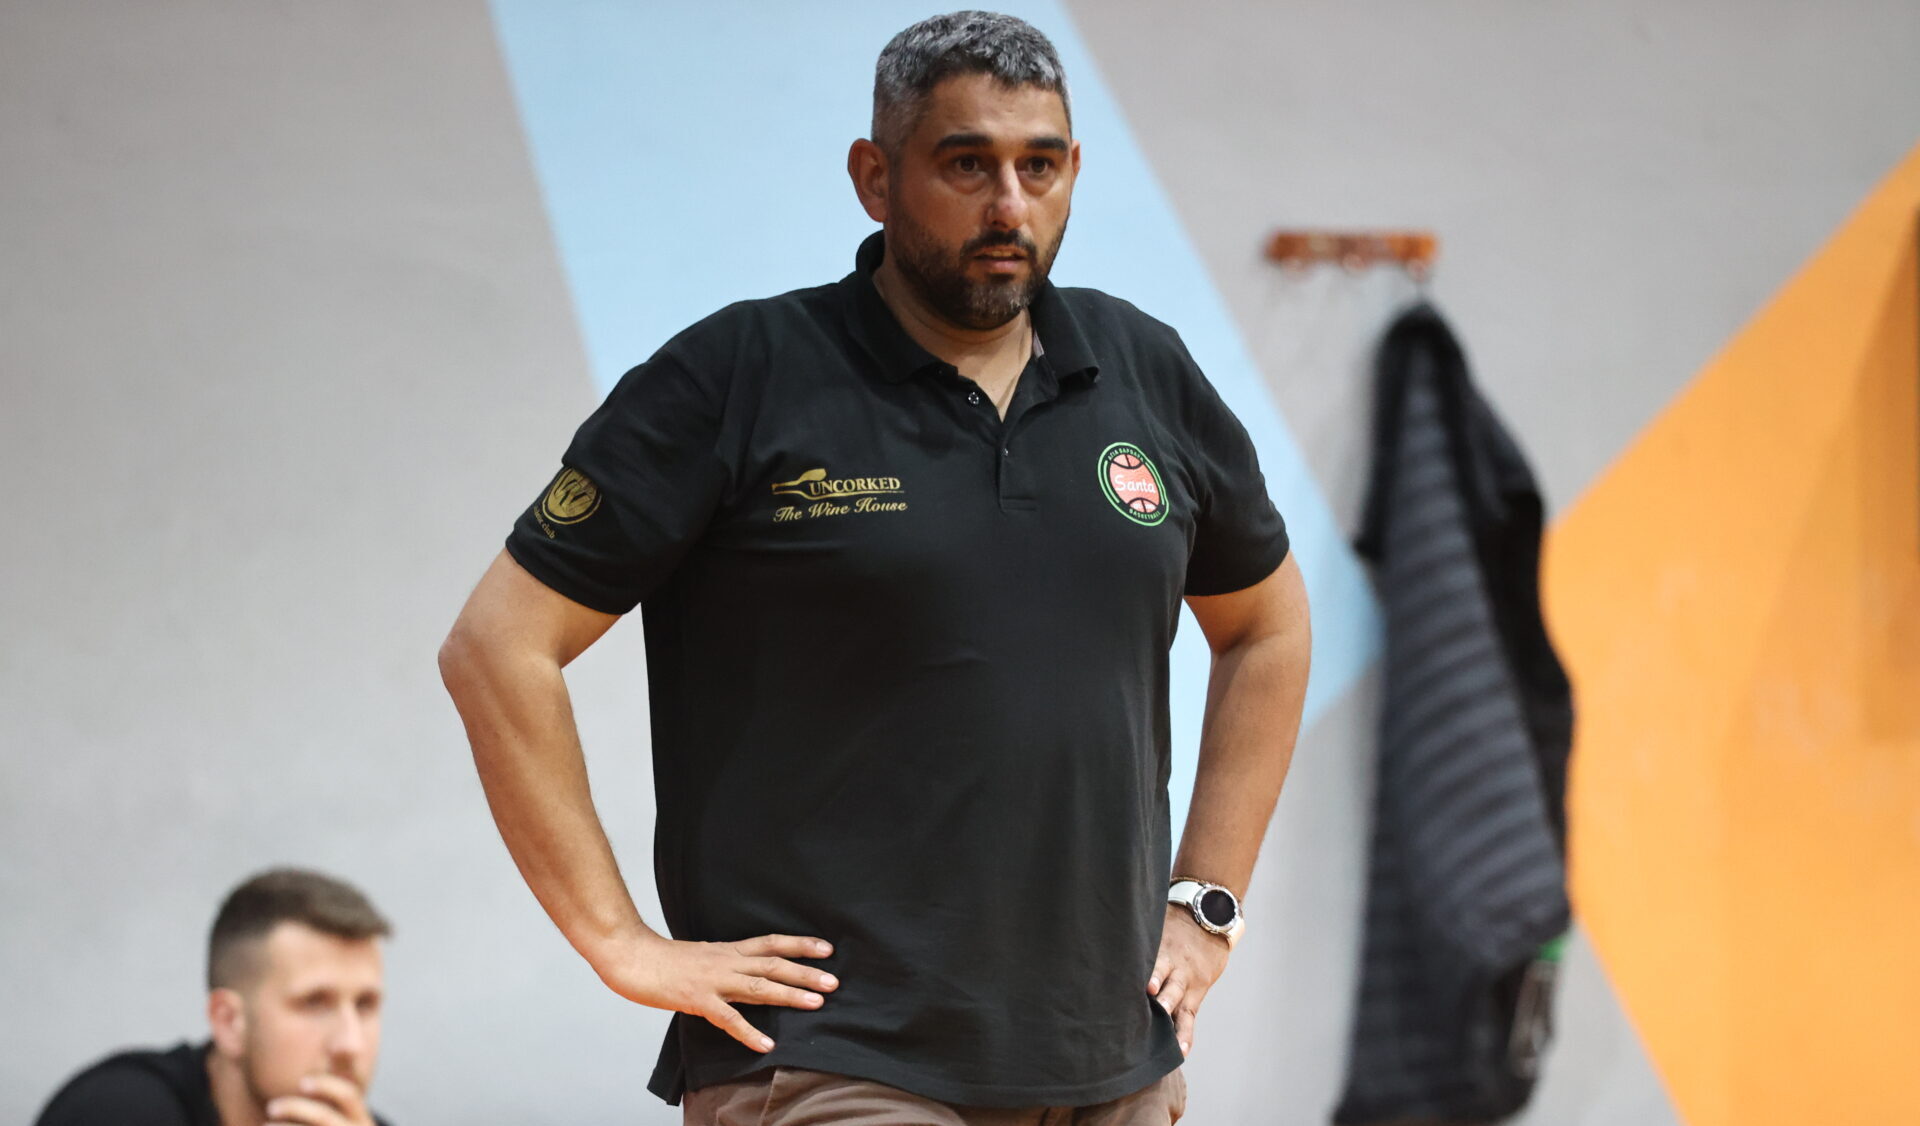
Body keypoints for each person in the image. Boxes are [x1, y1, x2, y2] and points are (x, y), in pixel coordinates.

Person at [438, 10, 1311, 1124]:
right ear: (875, 177)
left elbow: (1267, 628)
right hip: (834, 1055)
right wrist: (619, 940)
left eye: (1039, 166)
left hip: (1112, 1055)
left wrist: (1205, 902)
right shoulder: (740, 375)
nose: (1009, 206)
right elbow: (497, 646)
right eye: (967, 164)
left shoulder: (1144, 369)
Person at [35, 868, 393, 1126]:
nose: (350, 1044)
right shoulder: (118, 1109)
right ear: (228, 1022)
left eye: (365, 1005)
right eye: (314, 1003)